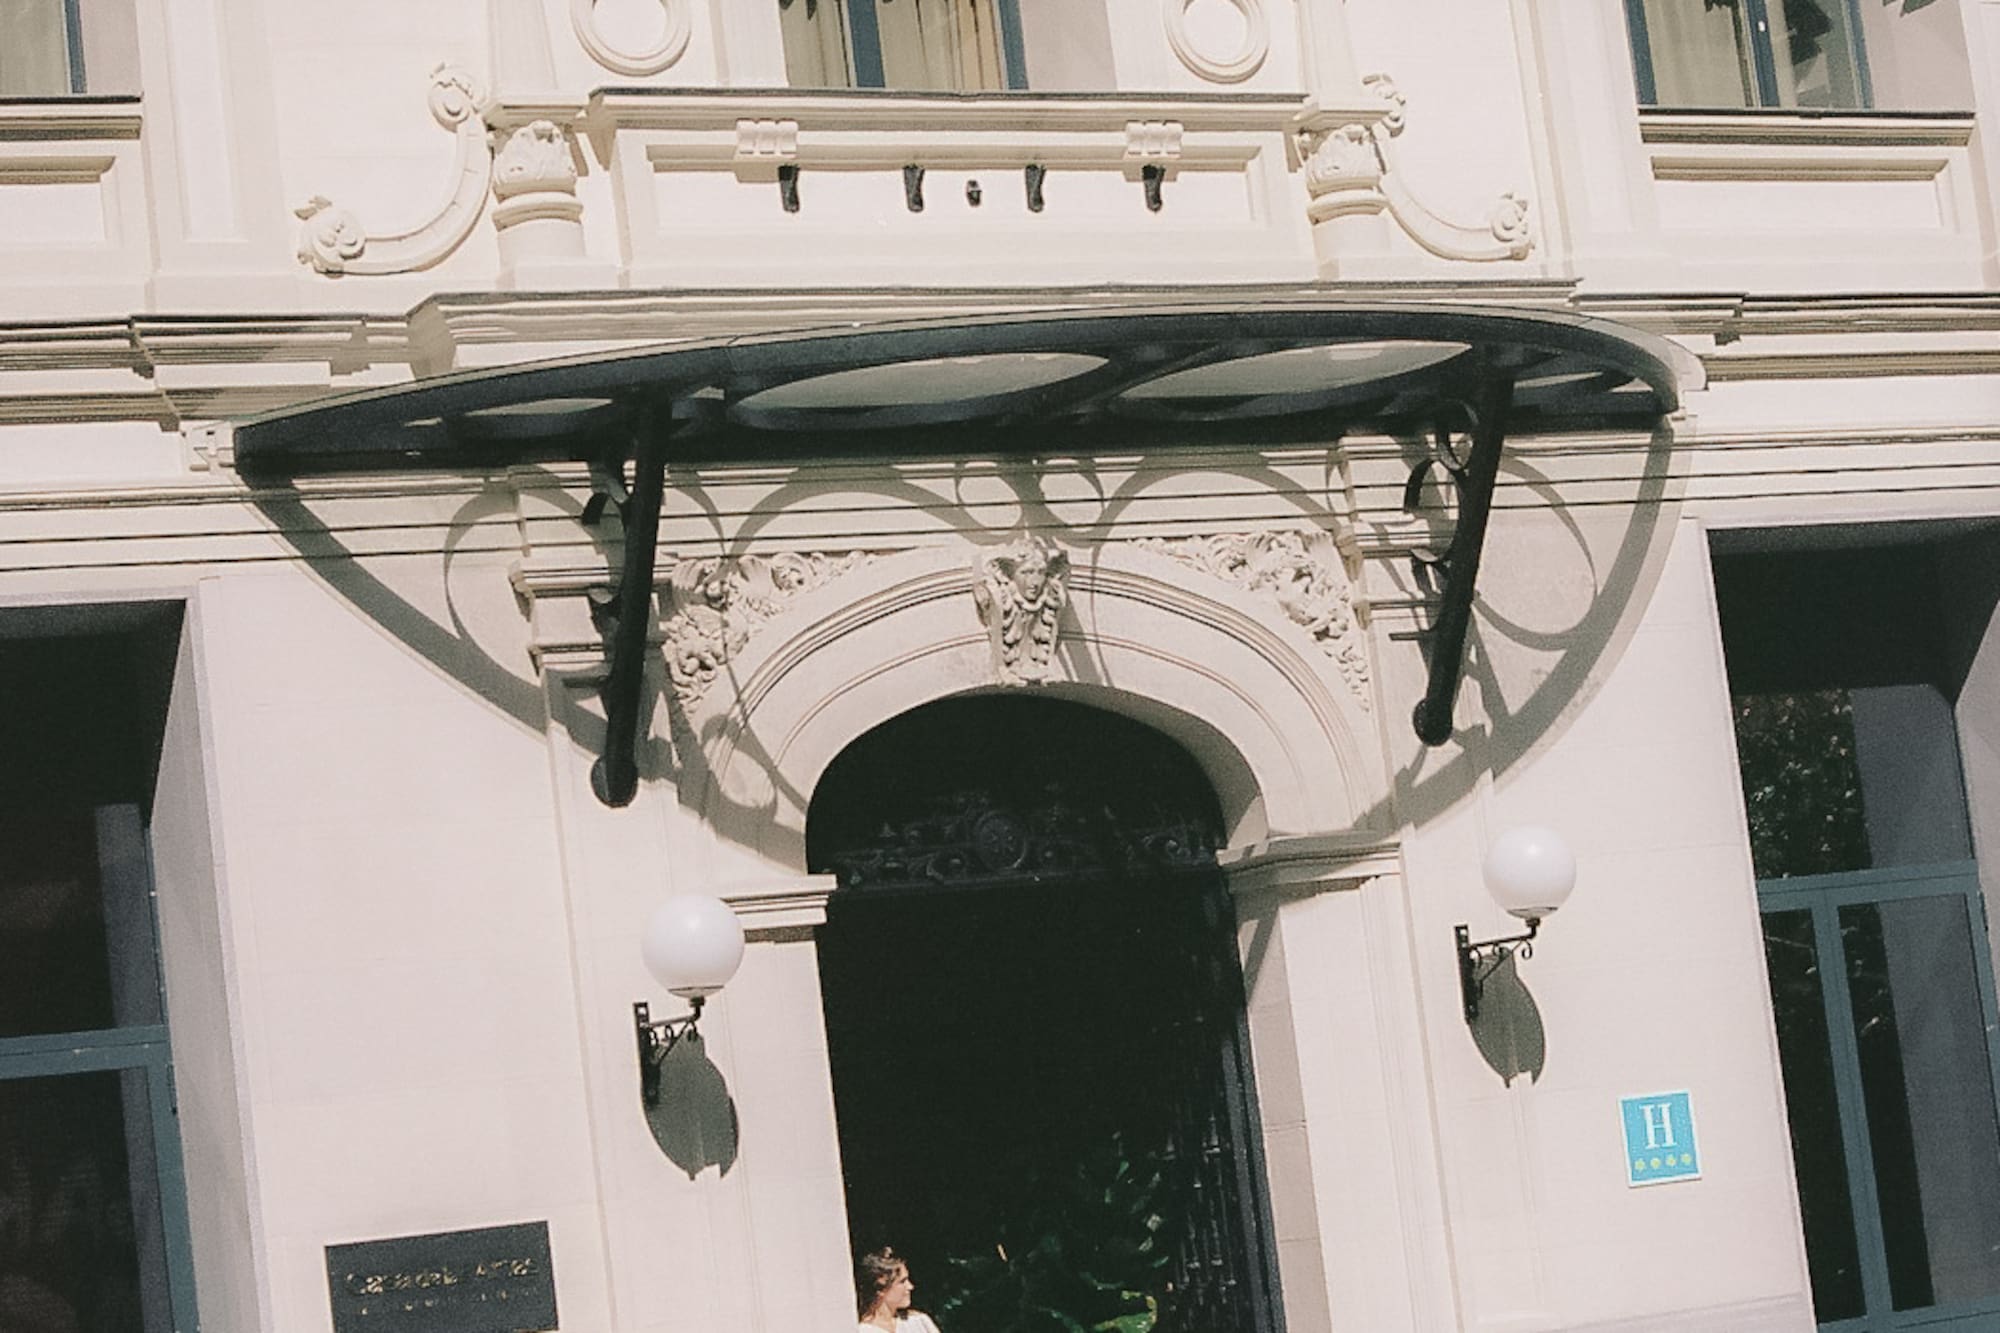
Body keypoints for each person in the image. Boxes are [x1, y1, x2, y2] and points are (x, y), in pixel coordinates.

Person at [855, 1246, 941, 1333]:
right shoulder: (863, 1330)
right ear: (880, 1289)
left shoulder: (918, 1322)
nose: (910, 1286)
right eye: (902, 1282)